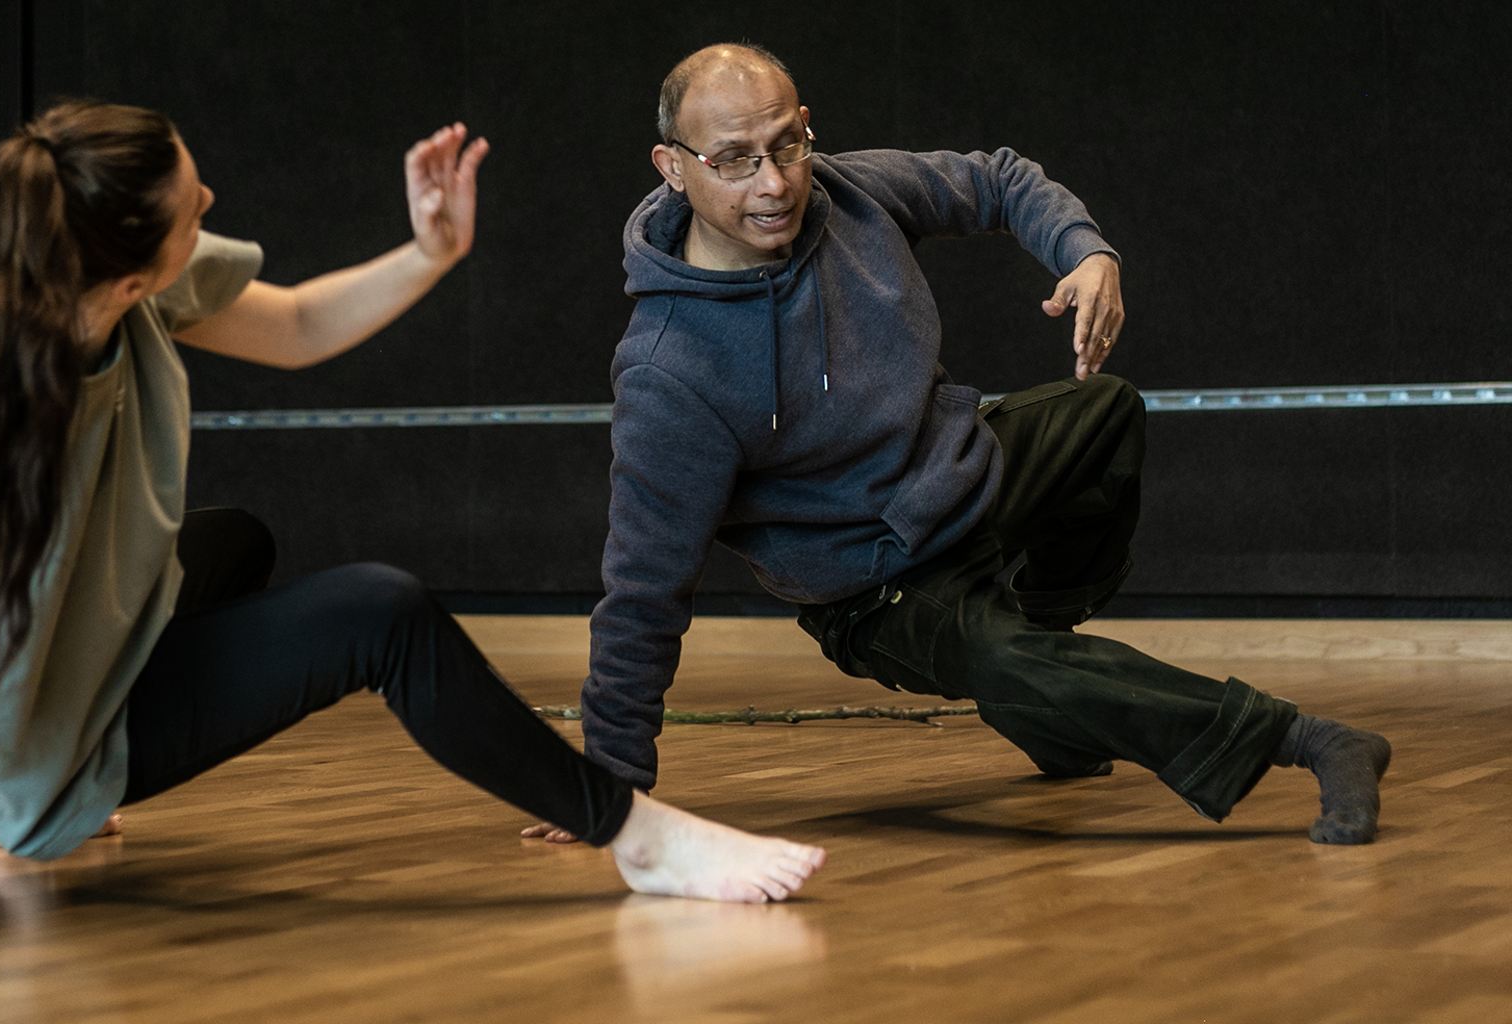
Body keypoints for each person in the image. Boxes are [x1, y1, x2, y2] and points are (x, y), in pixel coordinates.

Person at [0, 100, 826, 957]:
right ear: (131, 270)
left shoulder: (92, 274)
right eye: (193, 204)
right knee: (381, 609)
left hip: (52, 681)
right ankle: (636, 835)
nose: (212, 202)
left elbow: (291, 327)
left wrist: (432, 251)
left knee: (234, 541)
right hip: (26, 755)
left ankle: (30, 782)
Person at [526, 44, 1390, 850]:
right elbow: (643, 589)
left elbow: (999, 179)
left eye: (788, 144)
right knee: (1011, 659)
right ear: (673, 167)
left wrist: (1087, 254)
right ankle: (1305, 739)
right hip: (874, 585)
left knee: (1105, 414)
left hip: (960, 476)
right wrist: (609, 780)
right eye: (735, 158)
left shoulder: (850, 193)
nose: (776, 182)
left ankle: (1046, 693)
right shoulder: (670, 369)